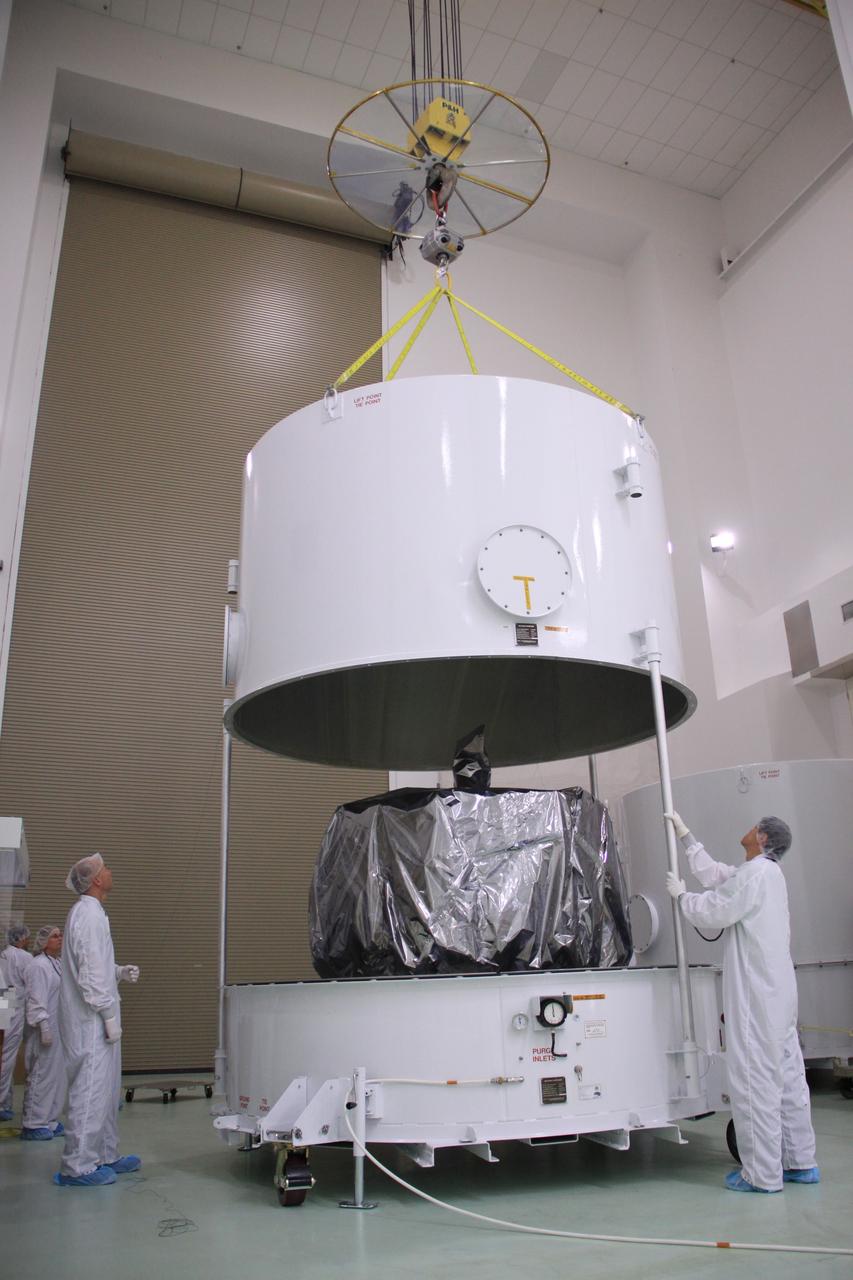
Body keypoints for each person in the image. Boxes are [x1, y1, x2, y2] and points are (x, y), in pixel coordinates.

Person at [664, 810, 819, 1193]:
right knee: (788, 1079)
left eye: (755, 826)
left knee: (753, 1081)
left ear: (763, 838)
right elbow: (719, 876)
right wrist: (686, 836)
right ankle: (800, 1162)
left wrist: (683, 898)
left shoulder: (756, 876)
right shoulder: (764, 874)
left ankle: (762, 1174)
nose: (748, 828)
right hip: (778, 993)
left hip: (756, 996)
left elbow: (717, 909)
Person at [56, 853, 141, 1187]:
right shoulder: (87, 916)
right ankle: (77, 1166)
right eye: (105, 868)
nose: (109, 871)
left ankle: (105, 1154)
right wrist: (107, 1013)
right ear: (94, 880)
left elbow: (96, 966)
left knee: (106, 1091)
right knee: (90, 1091)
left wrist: (119, 972)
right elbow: (89, 975)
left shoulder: (94, 914)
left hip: (98, 1017)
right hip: (91, 1021)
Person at [21, 925, 66, 1140]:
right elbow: (36, 998)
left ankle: (49, 1119)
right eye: (55, 936)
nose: (60, 939)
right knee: (41, 1074)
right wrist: (43, 1025)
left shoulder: (56, 964)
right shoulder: (38, 966)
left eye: (60, 935)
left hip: (58, 1028)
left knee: (56, 1076)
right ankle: (33, 1122)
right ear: (43, 941)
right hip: (42, 1029)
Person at [0, 924, 33, 1120]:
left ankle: (5, 1100)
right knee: (7, 1056)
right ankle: (2, 1103)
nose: (28, 941)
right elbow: (32, 983)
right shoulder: (24, 957)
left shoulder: (4, 954)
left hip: (4, 999)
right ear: (21, 939)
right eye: (27, 938)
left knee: (4, 1054)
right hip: (13, 1002)